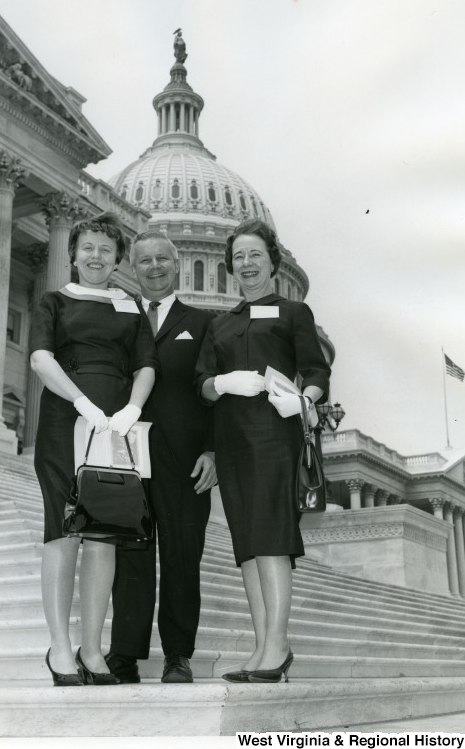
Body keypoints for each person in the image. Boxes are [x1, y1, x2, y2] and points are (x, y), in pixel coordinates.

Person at [195, 219, 331, 683]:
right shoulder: (220, 324)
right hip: (232, 442)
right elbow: (202, 387)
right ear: (229, 267)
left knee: (271, 539)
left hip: (276, 437)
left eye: (255, 255)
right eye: (238, 257)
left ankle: (278, 646)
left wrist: (304, 399)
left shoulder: (294, 314)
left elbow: (316, 371)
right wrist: (221, 382)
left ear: (272, 262)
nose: (247, 264)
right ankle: (262, 647)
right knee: (248, 548)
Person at [29, 213, 158, 686]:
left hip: (115, 431)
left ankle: (92, 649)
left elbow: (147, 364)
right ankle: (60, 647)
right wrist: (80, 400)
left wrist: (130, 409)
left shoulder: (130, 305)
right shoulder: (55, 300)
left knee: (104, 533)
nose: (96, 256)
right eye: (88, 247)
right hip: (67, 422)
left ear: (118, 257)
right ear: (74, 253)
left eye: (106, 248)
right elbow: (41, 357)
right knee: (63, 531)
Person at [107, 231, 216, 683]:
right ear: (133, 268)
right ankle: (125, 656)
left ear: (177, 264)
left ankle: (177, 655)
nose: (153, 268)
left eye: (162, 260)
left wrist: (214, 450)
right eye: (144, 261)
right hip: (125, 453)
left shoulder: (204, 322)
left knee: (181, 557)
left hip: (185, 458)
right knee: (129, 555)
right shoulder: (116, 318)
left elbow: (215, 390)